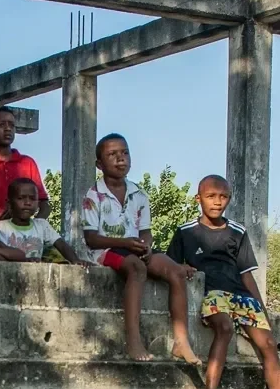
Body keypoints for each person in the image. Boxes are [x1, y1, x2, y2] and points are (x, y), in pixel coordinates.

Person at [169, 174, 280, 389]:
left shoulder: (237, 232)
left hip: (240, 294)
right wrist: (183, 267)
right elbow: (171, 267)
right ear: (199, 199)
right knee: (224, 328)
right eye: (211, 196)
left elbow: (246, 274)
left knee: (268, 344)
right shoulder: (186, 232)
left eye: (223, 197)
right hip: (211, 293)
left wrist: (262, 310)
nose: (217, 202)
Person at [79, 133, 199, 363]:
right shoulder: (94, 196)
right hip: (105, 252)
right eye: (112, 155)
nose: (120, 158)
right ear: (99, 164)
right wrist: (125, 243)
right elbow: (91, 239)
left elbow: (145, 231)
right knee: (136, 268)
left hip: (133, 248)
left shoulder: (138, 193)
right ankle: (133, 341)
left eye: (124, 153)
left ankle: (181, 341)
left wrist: (146, 245)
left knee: (175, 271)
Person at [0, 176, 80, 263]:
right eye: (21, 198)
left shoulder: (42, 225)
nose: (27, 203)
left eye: (32, 199)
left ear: (38, 203)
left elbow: (62, 245)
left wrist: (76, 261)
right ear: (9, 203)